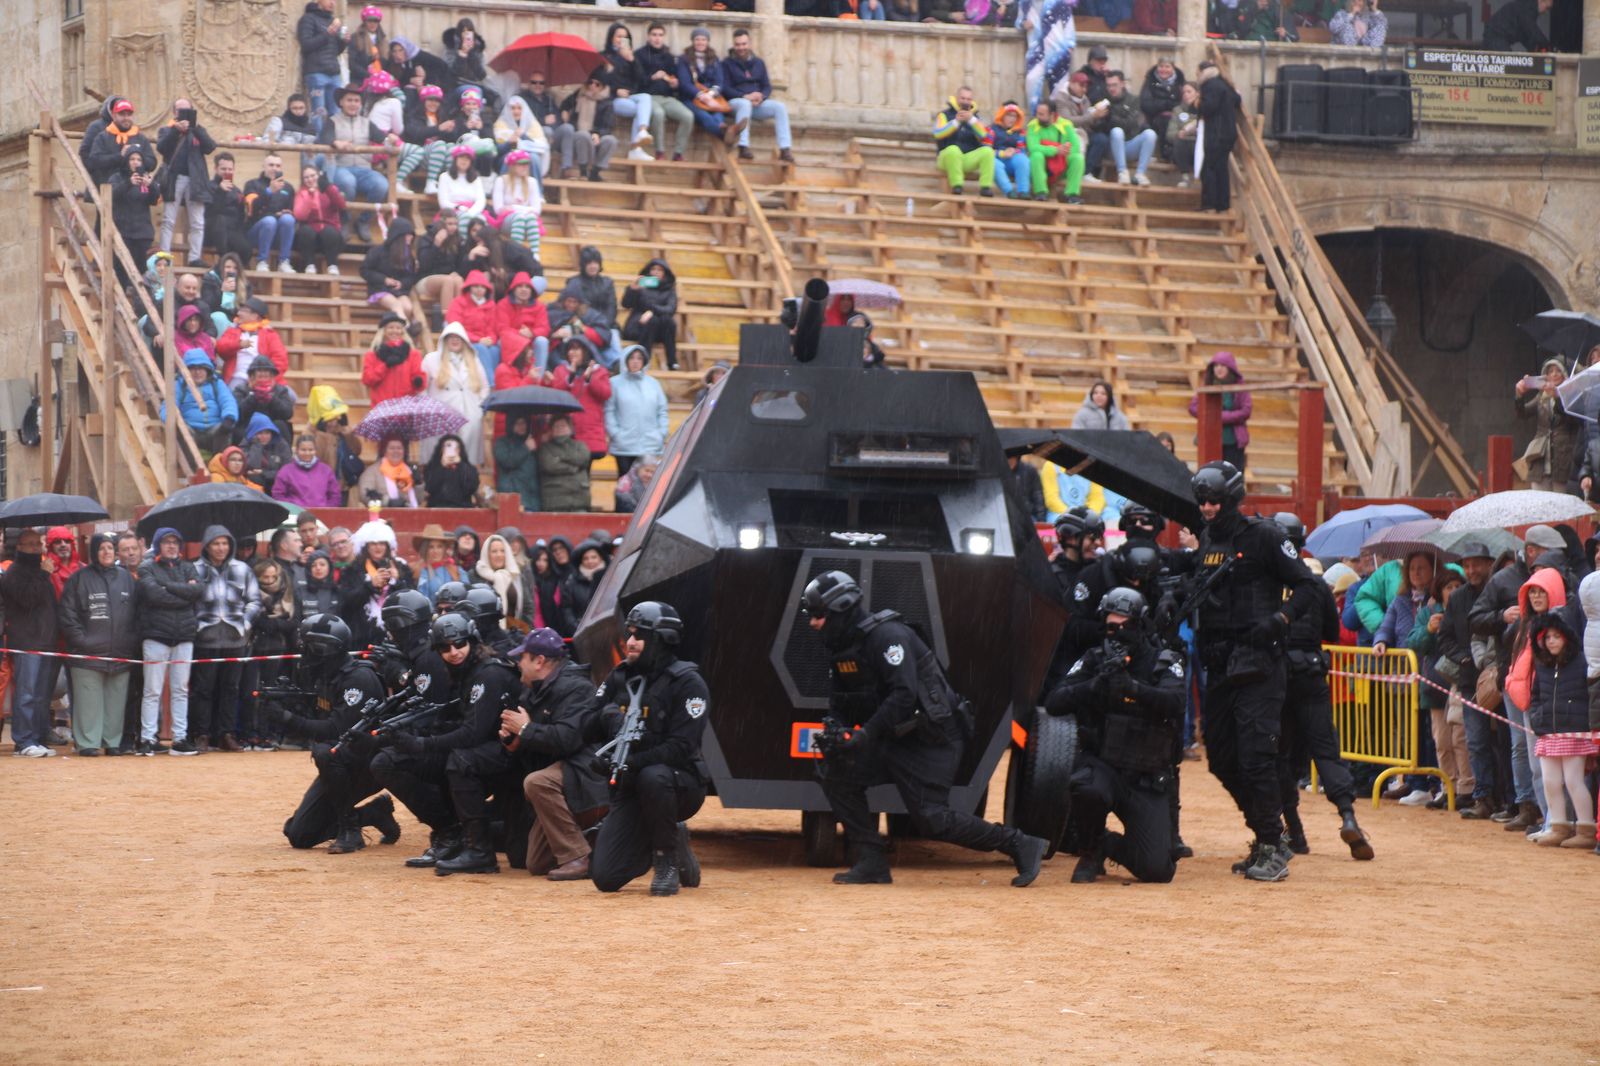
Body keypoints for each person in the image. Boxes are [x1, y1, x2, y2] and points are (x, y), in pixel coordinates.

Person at [803, 571, 1048, 886]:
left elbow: (903, 696)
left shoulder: (888, 637)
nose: (813, 623)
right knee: (836, 771)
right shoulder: (843, 649)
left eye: (818, 615)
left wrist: (865, 735)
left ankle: (1018, 843)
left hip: (932, 738)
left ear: (841, 608)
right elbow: (840, 701)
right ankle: (871, 860)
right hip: (894, 737)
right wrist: (837, 730)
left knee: (933, 821)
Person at [1186, 461, 1318, 882]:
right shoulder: (1208, 540)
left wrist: (1279, 620)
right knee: (1221, 758)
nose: (1207, 508)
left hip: (1260, 662)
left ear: (1231, 499)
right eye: (1202, 501)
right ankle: (1267, 836)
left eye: (1214, 500)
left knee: (1257, 756)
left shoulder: (1264, 537)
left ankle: (1271, 844)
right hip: (1220, 663)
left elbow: (1308, 586)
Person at [1045, 587, 1183, 883]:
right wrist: (1094, 686)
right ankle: (1090, 850)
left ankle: (1108, 844)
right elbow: (1055, 702)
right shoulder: (1094, 659)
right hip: (1104, 765)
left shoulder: (1163, 659)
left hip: (1145, 776)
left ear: (1140, 624)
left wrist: (1134, 690)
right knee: (1087, 787)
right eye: (1111, 626)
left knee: (1157, 870)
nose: (1117, 633)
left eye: (1125, 625)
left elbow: (1176, 702)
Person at [374, 611, 520, 875]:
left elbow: (473, 733)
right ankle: (450, 831)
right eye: (445, 647)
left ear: (472, 640)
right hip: (481, 749)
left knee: (459, 760)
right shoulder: (461, 671)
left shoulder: (488, 673)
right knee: (388, 761)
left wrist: (422, 743)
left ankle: (479, 852)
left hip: (510, 754)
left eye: (459, 644)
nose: (454, 652)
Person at [1271, 513, 1374, 857]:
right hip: (1313, 673)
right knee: (1326, 750)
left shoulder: (1266, 582)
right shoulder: (1315, 585)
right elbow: (1332, 631)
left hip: (1277, 676)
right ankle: (1347, 816)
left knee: (1280, 756)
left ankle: (1294, 831)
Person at [588, 602, 707, 895]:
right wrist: (610, 717)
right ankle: (669, 835)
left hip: (680, 785)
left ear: (660, 639)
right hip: (629, 786)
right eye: (629, 634)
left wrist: (635, 761)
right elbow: (585, 724)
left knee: (653, 776)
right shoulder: (620, 676)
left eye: (639, 636)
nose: (629, 642)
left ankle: (666, 858)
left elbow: (680, 747)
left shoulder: (687, 683)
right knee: (605, 877)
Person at [277, 611, 403, 851]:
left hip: (368, 764)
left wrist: (286, 719)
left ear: (322, 649)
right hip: (338, 765)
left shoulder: (358, 678)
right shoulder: (326, 675)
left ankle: (349, 828)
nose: (304, 651)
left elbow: (336, 730)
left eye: (309, 646)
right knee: (298, 834)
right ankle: (373, 813)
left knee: (326, 752)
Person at [494, 629, 606, 879]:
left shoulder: (577, 688)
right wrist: (516, 742)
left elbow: (568, 740)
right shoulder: (533, 689)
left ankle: (578, 857)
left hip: (587, 771)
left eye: (521, 657)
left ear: (539, 661)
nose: (517, 664)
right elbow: (540, 740)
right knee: (536, 863)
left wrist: (525, 729)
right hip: (562, 772)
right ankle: (599, 840)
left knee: (537, 782)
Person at [56, 534, 138, 757]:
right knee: (88, 701)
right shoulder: (78, 579)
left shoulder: (127, 578)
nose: (106, 552)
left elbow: (137, 613)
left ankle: (111, 741)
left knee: (116, 701)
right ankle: (88, 742)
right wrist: (82, 641)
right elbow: (67, 614)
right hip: (86, 654)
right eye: (101, 548)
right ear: (93, 552)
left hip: (120, 652)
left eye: (110, 548)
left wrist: (130, 641)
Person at [1525, 606, 1595, 845]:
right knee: (1550, 781)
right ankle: (1559, 825)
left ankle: (1586, 829)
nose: (1552, 641)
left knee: (1574, 780)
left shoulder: (1580, 661)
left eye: (1556, 636)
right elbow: (1535, 696)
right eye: (1547, 638)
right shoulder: (1542, 664)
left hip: (1574, 732)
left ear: (1567, 636)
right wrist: (1537, 717)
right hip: (1548, 732)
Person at [188, 525, 260, 754]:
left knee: (231, 688)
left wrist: (245, 623)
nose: (221, 548)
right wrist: (196, 625)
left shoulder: (243, 569)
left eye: (224, 543)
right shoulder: (193, 570)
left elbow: (255, 601)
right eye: (216, 543)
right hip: (205, 638)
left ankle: (226, 734)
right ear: (207, 546)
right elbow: (187, 601)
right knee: (203, 689)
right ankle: (201, 734)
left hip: (235, 639)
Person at [2, 530, 63, 758]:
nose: (35, 547)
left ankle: (36, 737)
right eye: (29, 544)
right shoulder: (15, 573)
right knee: (26, 694)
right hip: (27, 642)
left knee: (40, 696)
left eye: (38, 543)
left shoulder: (40, 570)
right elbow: (27, 599)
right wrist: (44, 575)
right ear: (19, 547)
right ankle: (23, 740)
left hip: (46, 641)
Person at [317, 84, 391, 239]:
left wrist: (390, 139)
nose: (353, 104)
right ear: (341, 102)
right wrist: (335, 142)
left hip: (364, 169)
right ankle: (344, 220)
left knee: (382, 185)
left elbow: (382, 138)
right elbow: (325, 139)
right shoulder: (332, 121)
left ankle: (363, 221)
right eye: (349, 100)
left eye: (356, 101)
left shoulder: (366, 122)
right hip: (341, 167)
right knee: (347, 182)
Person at [337, 519, 416, 651]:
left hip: (396, 635)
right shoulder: (353, 569)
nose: (378, 547)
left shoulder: (400, 567)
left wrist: (397, 581)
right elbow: (345, 603)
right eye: (373, 543)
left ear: (387, 545)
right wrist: (369, 585)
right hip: (362, 639)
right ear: (366, 546)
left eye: (381, 543)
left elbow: (413, 600)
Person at [418, 322, 490, 466]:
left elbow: (484, 387)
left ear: (464, 341)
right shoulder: (431, 359)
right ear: (444, 340)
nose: (455, 340)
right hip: (441, 415)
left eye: (458, 337)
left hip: (470, 415)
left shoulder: (474, 360)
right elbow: (421, 388)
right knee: (440, 458)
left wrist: (479, 409)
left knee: (466, 461)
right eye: (451, 337)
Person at [156, 99, 216, 264]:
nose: (183, 114)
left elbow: (210, 147)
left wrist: (195, 128)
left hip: (196, 180)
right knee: (169, 219)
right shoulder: (166, 130)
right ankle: (164, 256)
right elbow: (161, 148)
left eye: (187, 110)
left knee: (197, 221)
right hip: (174, 179)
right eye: (180, 111)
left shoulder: (198, 130)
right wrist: (175, 131)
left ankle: (195, 258)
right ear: (174, 113)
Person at [723, 30, 794, 163]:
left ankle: (785, 149)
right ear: (734, 45)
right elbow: (725, 88)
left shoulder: (759, 62)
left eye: (744, 44)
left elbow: (767, 85)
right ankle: (743, 146)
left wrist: (761, 96)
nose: (741, 48)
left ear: (749, 44)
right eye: (737, 45)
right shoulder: (727, 63)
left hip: (756, 103)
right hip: (735, 103)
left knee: (780, 107)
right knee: (744, 104)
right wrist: (745, 96)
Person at [548, 337, 614, 471]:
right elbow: (555, 395)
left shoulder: (599, 371)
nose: (572, 352)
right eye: (570, 349)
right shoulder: (561, 370)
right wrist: (570, 377)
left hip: (589, 430)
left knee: (584, 474)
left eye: (576, 349)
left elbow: (605, 394)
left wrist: (590, 379)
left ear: (585, 351)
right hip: (567, 431)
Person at [1516, 358, 1581, 492]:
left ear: (1565, 375)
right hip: (1540, 459)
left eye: (1558, 371)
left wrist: (1557, 397)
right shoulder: (1541, 396)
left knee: (1561, 505)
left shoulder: (1571, 395)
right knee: (1540, 504)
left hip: (1563, 459)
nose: (1554, 374)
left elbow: (1572, 420)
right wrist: (1519, 395)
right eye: (1550, 371)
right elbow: (1523, 413)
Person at [605, 345, 669, 479]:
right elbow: (609, 411)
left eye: (639, 358)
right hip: (624, 447)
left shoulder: (653, 384)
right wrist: (616, 434)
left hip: (650, 444)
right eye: (632, 358)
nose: (635, 361)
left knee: (647, 486)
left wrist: (661, 433)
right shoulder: (614, 384)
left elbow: (662, 411)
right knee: (625, 486)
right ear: (625, 360)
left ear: (644, 361)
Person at [598, 22, 658, 161]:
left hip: (631, 96)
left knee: (645, 97)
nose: (621, 40)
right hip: (612, 99)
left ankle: (642, 132)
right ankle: (635, 148)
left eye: (625, 37)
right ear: (611, 38)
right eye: (618, 36)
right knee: (640, 110)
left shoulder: (631, 56)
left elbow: (642, 80)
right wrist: (616, 90)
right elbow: (599, 80)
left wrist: (632, 60)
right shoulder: (604, 57)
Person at [637, 23, 696, 161]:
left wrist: (674, 83)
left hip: (667, 97)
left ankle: (678, 153)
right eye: (654, 35)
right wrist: (652, 77)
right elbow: (637, 80)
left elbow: (676, 79)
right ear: (648, 36)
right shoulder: (640, 55)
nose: (657, 38)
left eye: (660, 35)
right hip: (648, 97)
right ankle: (660, 151)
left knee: (688, 116)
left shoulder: (669, 56)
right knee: (658, 114)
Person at [166, 348, 239, 457]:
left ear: (207, 370)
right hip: (191, 428)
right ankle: (192, 470)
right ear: (186, 371)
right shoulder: (179, 385)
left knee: (225, 430)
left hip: (214, 428)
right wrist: (171, 420)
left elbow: (228, 401)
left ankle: (217, 467)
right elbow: (168, 406)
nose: (197, 372)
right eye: (193, 369)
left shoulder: (217, 384)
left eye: (201, 368)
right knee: (183, 431)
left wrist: (229, 417)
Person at [677, 28, 742, 145]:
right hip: (691, 98)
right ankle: (726, 133)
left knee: (717, 113)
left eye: (703, 39)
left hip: (712, 96)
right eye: (697, 39)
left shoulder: (714, 59)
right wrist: (701, 96)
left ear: (707, 41)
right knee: (704, 116)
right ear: (693, 41)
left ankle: (725, 131)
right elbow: (684, 83)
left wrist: (710, 95)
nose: (700, 42)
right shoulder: (684, 59)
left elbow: (719, 81)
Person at [1188, 351, 1251, 472]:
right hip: (1210, 440)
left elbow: (1246, 410)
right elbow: (1193, 407)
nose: (1219, 369)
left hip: (1233, 442)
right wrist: (1213, 417)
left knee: (1232, 476)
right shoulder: (1208, 386)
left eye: (1222, 366)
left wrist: (1219, 417)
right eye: (1216, 366)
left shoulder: (1240, 387)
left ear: (1230, 368)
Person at [109, 147, 161, 288]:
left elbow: (154, 200)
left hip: (143, 233)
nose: (136, 162)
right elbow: (111, 195)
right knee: (122, 268)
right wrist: (128, 183)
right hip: (123, 232)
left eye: (139, 159)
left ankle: (140, 301)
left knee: (142, 270)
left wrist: (151, 186)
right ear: (126, 161)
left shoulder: (145, 178)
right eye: (132, 159)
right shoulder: (117, 177)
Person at [933, 86, 995, 196]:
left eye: (968, 99)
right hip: (946, 157)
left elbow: (985, 136)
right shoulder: (944, 115)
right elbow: (937, 133)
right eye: (963, 98)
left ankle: (985, 187)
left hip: (967, 158)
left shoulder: (975, 118)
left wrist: (971, 120)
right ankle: (957, 186)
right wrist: (956, 122)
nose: (965, 101)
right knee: (953, 150)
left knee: (988, 152)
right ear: (957, 98)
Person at [1018, 0, 1078, 115]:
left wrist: (1069, 46)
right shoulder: (1025, 2)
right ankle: (1037, 120)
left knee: (1060, 93)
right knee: (1032, 81)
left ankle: (1058, 124)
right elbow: (1019, 21)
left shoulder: (1060, 2)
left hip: (1058, 52)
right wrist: (1023, 23)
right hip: (1036, 52)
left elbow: (1069, 23)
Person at [555, 75, 619, 181]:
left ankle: (595, 172)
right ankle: (583, 171)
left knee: (611, 140)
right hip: (578, 136)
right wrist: (564, 111)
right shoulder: (579, 95)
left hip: (597, 138)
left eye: (597, 84)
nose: (593, 86)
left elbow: (608, 126)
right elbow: (564, 104)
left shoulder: (607, 103)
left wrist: (597, 133)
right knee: (583, 135)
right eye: (590, 82)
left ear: (602, 87)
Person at [1196, 61, 1241, 212]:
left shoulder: (1210, 85)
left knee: (1209, 168)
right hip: (1228, 132)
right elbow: (1237, 99)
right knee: (1221, 168)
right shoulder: (1224, 84)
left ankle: (1209, 204)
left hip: (1216, 133)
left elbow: (1209, 107)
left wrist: (1197, 104)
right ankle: (1223, 205)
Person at [360, 217, 420, 326]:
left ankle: (399, 332)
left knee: (408, 307)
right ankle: (406, 330)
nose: (411, 237)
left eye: (411, 235)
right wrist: (384, 280)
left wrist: (402, 283)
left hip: (399, 291)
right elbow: (365, 270)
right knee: (396, 305)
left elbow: (411, 277)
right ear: (398, 236)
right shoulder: (378, 251)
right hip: (379, 289)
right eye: (408, 234)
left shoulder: (408, 256)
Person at [1101, 71, 1158, 186]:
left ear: (1122, 84)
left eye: (1114, 85)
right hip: (1111, 148)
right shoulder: (1103, 100)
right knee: (1117, 132)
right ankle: (1122, 172)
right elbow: (1103, 126)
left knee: (1150, 134)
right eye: (1109, 85)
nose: (1111, 88)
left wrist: (1113, 118)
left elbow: (1132, 124)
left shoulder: (1133, 100)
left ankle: (1140, 174)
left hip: (1130, 144)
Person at [621, 260, 679, 371]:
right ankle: (644, 360)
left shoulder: (669, 290)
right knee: (653, 321)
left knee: (668, 321)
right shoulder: (641, 286)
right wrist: (632, 289)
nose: (656, 272)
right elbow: (626, 304)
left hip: (660, 329)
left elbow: (670, 309)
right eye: (653, 269)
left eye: (659, 270)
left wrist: (651, 312)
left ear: (664, 273)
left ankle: (672, 362)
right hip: (638, 326)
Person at [217, 299, 288, 389]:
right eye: (240, 310)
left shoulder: (270, 335)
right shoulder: (233, 330)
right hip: (239, 377)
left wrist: (269, 379)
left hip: (265, 378)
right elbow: (221, 348)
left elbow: (280, 360)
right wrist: (238, 344)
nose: (239, 313)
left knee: (290, 396)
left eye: (244, 311)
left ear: (255, 316)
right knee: (234, 394)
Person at [444, 270, 501, 381]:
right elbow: (456, 327)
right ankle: (490, 384)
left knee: (495, 350)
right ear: (469, 287)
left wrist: (491, 340)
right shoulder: (458, 302)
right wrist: (478, 340)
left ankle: (492, 381)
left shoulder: (491, 305)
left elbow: (493, 328)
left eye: (482, 287)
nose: (479, 290)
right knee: (481, 349)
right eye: (476, 286)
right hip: (465, 341)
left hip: (485, 342)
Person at [298, 0, 347, 127]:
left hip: (334, 72)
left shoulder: (332, 20)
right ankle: (318, 145)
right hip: (316, 73)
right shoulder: (308, 19)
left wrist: (344, 41)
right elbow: (306, 45)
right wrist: (327, 33)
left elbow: (335, 51)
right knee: (318, 112)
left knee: (336, 112)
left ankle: (333, 142)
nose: (333, 3)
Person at [86, 98, 154, 188]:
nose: (126, 118)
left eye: (129, 114)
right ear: (114, 116)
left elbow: (152, 162)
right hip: (108, 189)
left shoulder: (140, 138)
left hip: (135, 192)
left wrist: (138, 160)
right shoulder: (102, 137)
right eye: (122, 114)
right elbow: (94, 161)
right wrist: (119, 156)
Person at [291, 164, 346, 275]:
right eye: (306, 177)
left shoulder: (330, 189)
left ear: (318, 175)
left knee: (329, 231)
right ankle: (309, 265)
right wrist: (308, 197)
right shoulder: (301, 193)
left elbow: (341, 205)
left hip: (330, 237)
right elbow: (299, 215)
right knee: (306, 231)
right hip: (310, 239)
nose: (310, 179)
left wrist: (328, 188)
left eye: (313, 175)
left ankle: (332, 265)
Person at [361, 313, 427, 406]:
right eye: (391, 327)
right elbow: (367, 380)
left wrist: (418, 381)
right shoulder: (372, 355)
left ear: (402, 331)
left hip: (405, 407)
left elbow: (419, 379)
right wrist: (385, 366)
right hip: (382, 407)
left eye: (398, 328)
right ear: (383, 331)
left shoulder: (413, 354)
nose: (395, 331)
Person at [1056, 72, 1110, 184]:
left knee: (1101, 139)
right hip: (1066, 135)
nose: (1084, 89)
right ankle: (1072, 173)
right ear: (1071, 84)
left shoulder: (1084, 100)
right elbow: (1068, 121)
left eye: (1086, 86)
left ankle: (1086, 172)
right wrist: (1092, 116)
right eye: (1081, 86)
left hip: (1084, 133)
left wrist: (1096, 116)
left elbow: (1087, 121)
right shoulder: (1060, 99)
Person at [496, 272, 550, 382]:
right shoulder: (503, 304)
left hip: (531, 340)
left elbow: (545, 328)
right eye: (520, 286)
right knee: (500, 342)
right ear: (513, 289)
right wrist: (520, 336)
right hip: (510, 341)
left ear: (531, 290)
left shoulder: (539, 306)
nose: (524, 289)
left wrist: (532, 333)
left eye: (527, 287)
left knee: (542, 341)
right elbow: (502, 328)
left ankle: (537, 379)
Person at [492, 151, 543, 261]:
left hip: (525, 219)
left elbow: (537, 209)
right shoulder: (501, 181)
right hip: (506, 221)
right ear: (512, 166)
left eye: (526, 164)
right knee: (521, 217)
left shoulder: (532, 182)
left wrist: (514, 208)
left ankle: (535, 253)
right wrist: (523, 210)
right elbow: (498, 209)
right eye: (521, 164)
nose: (524, 167)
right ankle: (516, 251)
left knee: (530, 217)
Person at [232, 356, 295, 441]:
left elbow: (288, 414)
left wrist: (272, 398)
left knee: (282, 425)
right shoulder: (241, 390)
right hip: (249, 426)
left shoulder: (280, 390)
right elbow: (237, 413)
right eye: (260, 372)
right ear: (251, 376)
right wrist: (253, 395)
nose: (263, 375)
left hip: (273, 426)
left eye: (266, 372)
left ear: (272, 376)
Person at [271, 434, 343, 508]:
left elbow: (335, 495)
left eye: (310, 450)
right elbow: (278, 494)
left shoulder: (326, 470)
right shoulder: (286, 471)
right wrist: (292, 508)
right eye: (303, 450)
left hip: (322, 515)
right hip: (296, 515)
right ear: (297, 450)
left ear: (315, 450)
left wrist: (327, 509)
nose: (307, 453)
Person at [539, 415, 592, 512]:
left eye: (563, 426)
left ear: (570, 428)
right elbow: (550, 465)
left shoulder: (580, 445)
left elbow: (583, 458)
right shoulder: (545, 448)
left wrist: (560, 457)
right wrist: (572, 468)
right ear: (551, 429)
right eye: (556, 426)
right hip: (554, 502)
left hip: (579, 501)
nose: (560, 429)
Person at [473, 533, 524, 629]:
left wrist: (523, 630)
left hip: (514, 632)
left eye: (502, 551)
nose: (499, 555)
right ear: (487, 554)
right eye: (494, 551)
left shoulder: (514, 573)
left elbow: (527, 606)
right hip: (486, 634)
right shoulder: (476, 575)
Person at [494, 415, 542, 512]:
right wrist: (526, 448)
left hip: (532, 500)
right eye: (517, 423)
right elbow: (507, 461)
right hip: (512, 498)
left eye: (523, 423)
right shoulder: (501, 442)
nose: (521, 426)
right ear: (510, 425)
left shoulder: (530, 442)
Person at [421, 434, 484, 509]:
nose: (451, 451)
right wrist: (442, 467)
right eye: (448, 447)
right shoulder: (432, 467)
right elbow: (429, 488)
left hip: (462, 508)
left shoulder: (468, 468)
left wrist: (461, 465)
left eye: (456, 448)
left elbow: (471, 487)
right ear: (441, 449)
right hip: (437, 508)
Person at [1140, 57, 1185, 159]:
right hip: (1154, 118)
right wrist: (1165, 104)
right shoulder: (1150, 82)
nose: (1164, 70)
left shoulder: (1180, 82)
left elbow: (1183, 103)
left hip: (1176, 117)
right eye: (1161, 66)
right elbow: (1145, 104)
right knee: (1164, 120)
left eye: (1167, 66)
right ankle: (1165, 153)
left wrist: (1172, 107)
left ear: (1173, 68)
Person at [992, 102, 1034, 201]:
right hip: (997, 158)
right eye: (1009, 115)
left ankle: (1023, 191)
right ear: (1002, 115)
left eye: (1015, 116)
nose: (1012, 119)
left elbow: (1022, 150)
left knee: (1023, 160)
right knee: (993, 164)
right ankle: (1009, 191)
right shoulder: (992, 130)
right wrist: (1002, 153)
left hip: (1012, 160)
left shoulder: (1020, 133)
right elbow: (986, 149)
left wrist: (1015, 151)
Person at [1482, 0, 1552, 51]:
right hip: (1496, 36)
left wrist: (1535, 49)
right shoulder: (1527, 8)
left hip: (1496, 37)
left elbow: (1524, 35)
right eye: (1547, 8)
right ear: (1540, 1)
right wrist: (1547, 45)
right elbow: (1532, 29)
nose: (1546, 11)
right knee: (1508, 62)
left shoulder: (1526, 8)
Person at [1168, 83, 1201, 187]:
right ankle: (1185, 177)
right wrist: (1179, 134)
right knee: (1180, 143)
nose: (1186, 95)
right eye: (1184, 92)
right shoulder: (1177, 110)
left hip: (1199, 143)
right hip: (1183, 145)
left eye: (1189, 92)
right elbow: (1169, 134)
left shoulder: (1204, 109)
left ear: (1197, 94)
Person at [1232, 0, 1298, 40]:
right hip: (1248, 45)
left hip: (1271, 47)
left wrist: (1285, 34)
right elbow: (1239, 29)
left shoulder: (1279, 8)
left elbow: (1294, 37)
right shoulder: (1246, 4)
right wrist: (1255, 7)